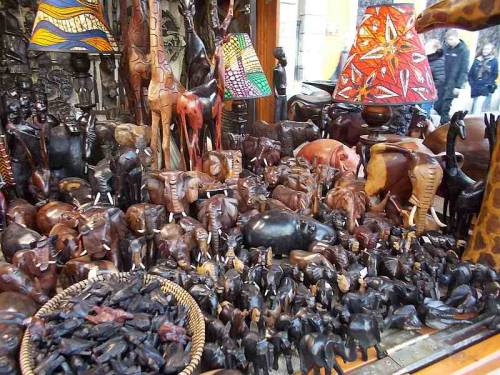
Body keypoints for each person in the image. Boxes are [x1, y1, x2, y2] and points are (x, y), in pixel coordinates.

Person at [434, 29, 470, 124]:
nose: (449, 42)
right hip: (442, 81)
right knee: (437, 105)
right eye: (447, 40)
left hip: (452, 83)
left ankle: (444, 126)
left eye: (451, 39)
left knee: (446, 107)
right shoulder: (446, 48)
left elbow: (464, 70)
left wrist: (458, 86)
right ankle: (448, 122)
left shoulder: (464, 50)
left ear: (457, 37)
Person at [468, 42, 498, 114]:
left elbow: (495, 74)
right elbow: (470, 74)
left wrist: (487, 83)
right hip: (475, 86)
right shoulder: (477, 60)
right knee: (474, 105)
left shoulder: (494, 61)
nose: (485, 51)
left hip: (485, 87)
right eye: (484, 49)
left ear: (491, 50)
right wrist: (472, 84)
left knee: (478, 106)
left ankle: (475, 121)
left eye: (487, 49)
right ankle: (473, 120)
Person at [423, 39, 445, 116]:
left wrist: (427, 87)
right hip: (421, 92)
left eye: (427, 47)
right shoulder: (426, 59)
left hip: (428, 93)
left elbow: (440, 79)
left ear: (434, 49)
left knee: (423, 114)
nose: (424, 48)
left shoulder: (439, 61)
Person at [273, 47, 287, 122]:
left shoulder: (283, 68)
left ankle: (284, 125)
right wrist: (275, 92)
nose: (285, 58)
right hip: (279, 92)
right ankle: (276, 126)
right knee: (277, 112)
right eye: (283, 56)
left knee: (284, 113)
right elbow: (273, 81)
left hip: (284, 91)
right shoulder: (276, 69)